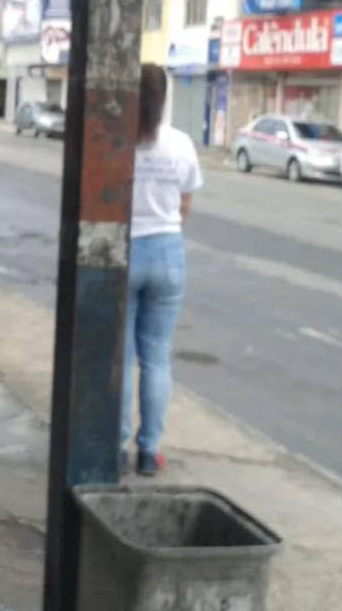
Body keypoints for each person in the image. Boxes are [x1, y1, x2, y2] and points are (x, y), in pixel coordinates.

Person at [121, 63, 203, 477]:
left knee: (120, 357)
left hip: (126, 251)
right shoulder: (181, 144)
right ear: (165, 97)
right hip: (169, 252)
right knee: (156, 360)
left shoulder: (118, 142)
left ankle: (115, 446)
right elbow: (185, 202)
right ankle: (149, 451)